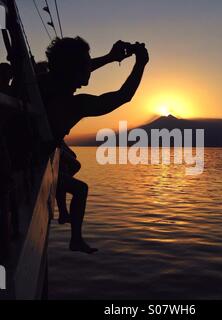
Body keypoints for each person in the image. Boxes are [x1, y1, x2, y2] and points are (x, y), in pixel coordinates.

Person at [38, 37, 149, 253]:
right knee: (81, 189)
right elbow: (122, 96)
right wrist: (140, 64)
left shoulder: (42, 82)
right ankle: (76, 239)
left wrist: (109, 58)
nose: (90, 67)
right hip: (33, 157)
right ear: (76, 70)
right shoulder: (74, 105)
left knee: (71, 166)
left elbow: (70, 71)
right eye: (86, 63)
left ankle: (65, 215)